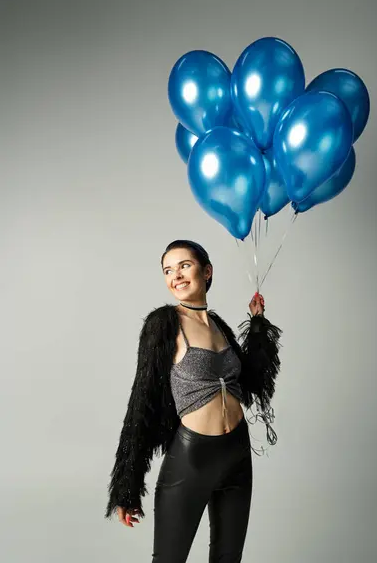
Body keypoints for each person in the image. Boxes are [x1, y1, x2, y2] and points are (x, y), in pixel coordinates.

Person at [105, 239, 282, 562]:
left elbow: (251, 382)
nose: (176, 276)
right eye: (168, 271)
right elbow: (141, 401)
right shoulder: (163, 325)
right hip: (192, 457)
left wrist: (257, 326)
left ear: (207, 271)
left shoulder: (219, 326)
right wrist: (126, 486)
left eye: (184, 265)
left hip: (237, 455)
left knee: (228, 558)